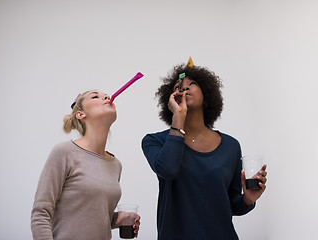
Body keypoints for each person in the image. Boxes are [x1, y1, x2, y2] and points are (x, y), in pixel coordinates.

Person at [141, 58, 267, 240]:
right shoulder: (155, 141)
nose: (184, 88)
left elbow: (231, 205)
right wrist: (178, 117)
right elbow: (167, 169)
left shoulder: (231, 146)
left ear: (207, 94)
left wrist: (247, 199)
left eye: (192, 83)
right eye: (178, 86)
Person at [31, 90, 140, 240]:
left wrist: (119, 218)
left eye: (106, 95)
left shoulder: (115, 165)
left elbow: (92, 217)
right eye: (95, 96)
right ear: (80, 114)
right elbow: (41, 213)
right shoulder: (64, 152)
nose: (107, 97)